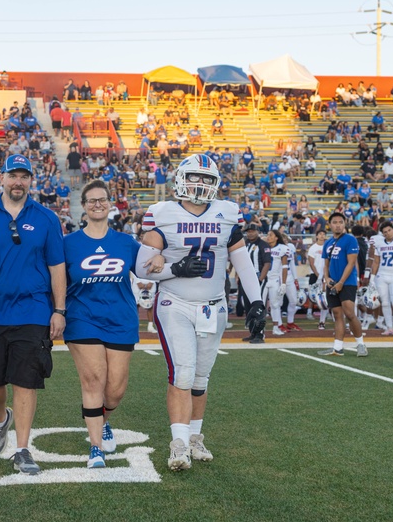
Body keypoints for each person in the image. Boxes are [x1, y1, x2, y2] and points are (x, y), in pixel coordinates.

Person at [140, 154, 266, 472]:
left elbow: (243, 263)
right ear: (182, 179)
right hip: (175, 304)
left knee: (200, 377)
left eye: (207, 179)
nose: (200, 184)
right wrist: (175, 268)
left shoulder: (226, 213)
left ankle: (195, 438)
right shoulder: (162, 213)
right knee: (183, 372)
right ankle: (178, 445)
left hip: (214, 306)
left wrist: (256, 301)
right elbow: (142, 268)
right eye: (195, 177)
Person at [0, 154, 66, 476]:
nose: (18, 182)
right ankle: (0, 418)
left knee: (26, 379)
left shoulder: (47, 219)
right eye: (13, 176)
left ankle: (22, 449)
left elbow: (57, 268)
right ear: (2, 179)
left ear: (32, 180)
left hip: (33, 309)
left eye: (24, 176)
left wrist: (59, 310)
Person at [63, 180, 163, 468]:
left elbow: (150, 264)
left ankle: (101, 420)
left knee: (116, 389)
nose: (97, 204)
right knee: (93, 379)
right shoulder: (68, 244)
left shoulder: (125, 242)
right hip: (82, 319)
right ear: (83, 206)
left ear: (110, 204)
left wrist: (157, 255)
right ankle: (96, 448)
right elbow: (56, 281)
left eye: (102, 199)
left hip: (120, 319)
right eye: (91, 200)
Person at [318, 213, 367, 357]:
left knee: (350, 313)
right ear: (330, 225)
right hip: (332, 283)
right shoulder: (327, 243)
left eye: (340, 222)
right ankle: (337, 347)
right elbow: (326, 264)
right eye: (335, 222)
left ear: (344, 224)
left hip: (347, 282)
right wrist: (326, 279)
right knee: (337, 315)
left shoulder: (350, 240)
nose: (338, 224)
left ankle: (361, 344)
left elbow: (351, 263)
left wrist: (340, 282)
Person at [239, 223, 271, 343]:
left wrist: (260, 279)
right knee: (248, 308)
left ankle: (260, 334)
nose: (250, 233)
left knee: (258, 307)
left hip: (257, 278)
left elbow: (267, 263)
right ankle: (253, 332)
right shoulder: (244, 243)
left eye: (252, 231)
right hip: (246, 278)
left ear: (257, 231)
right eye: (248, 231)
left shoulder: (263, 245)